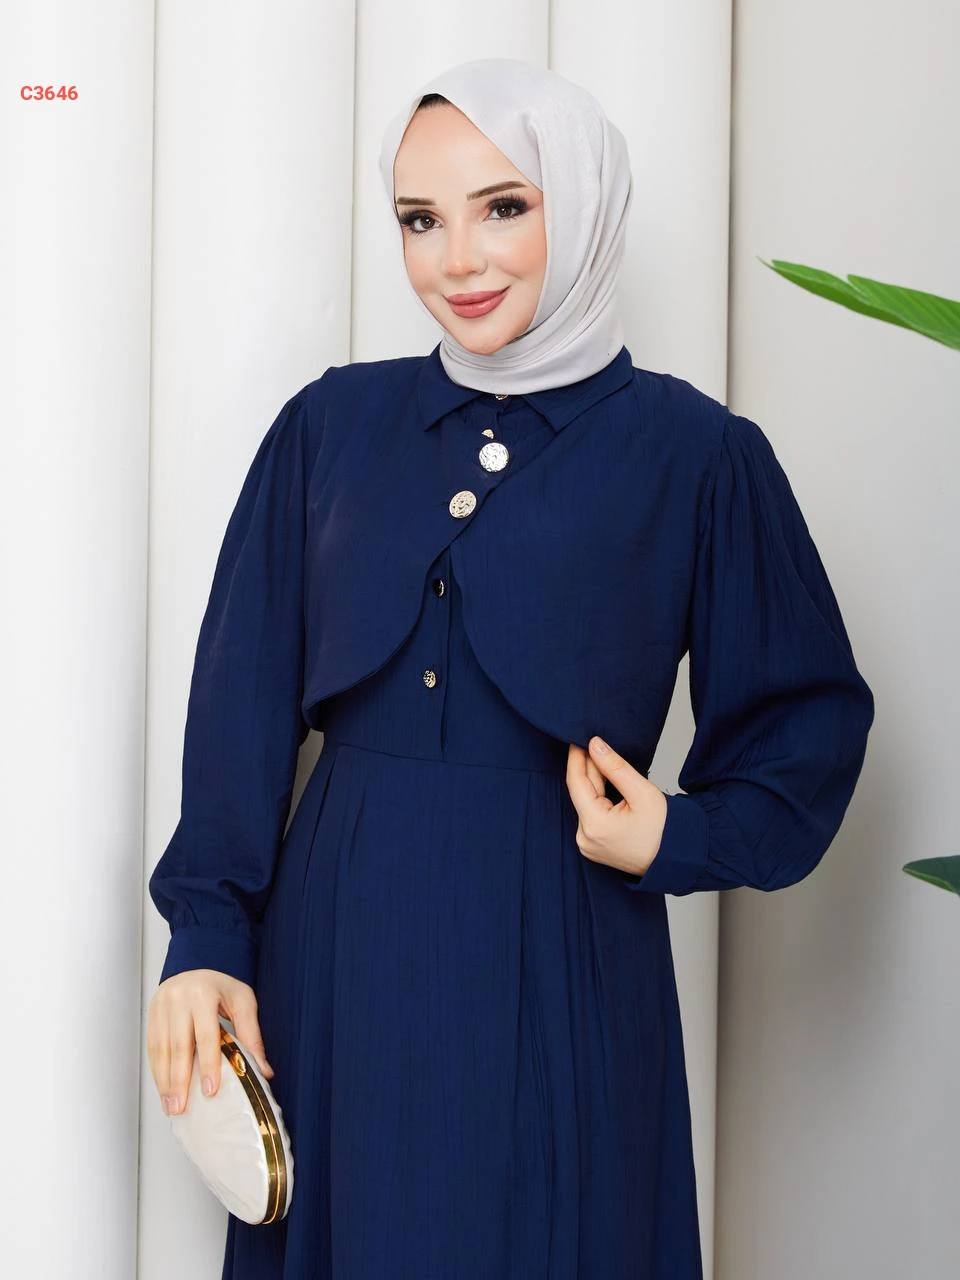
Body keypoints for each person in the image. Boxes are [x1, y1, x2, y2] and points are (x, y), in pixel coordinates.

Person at [146, 56, 875, 1280]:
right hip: (338, 952)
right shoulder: (329, 426)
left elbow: (808, 723)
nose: (458, 259)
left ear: (579, 203)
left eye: (503, 207)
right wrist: (207, 934)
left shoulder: (699, 454)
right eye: (419, 220)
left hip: (562, 945)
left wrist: (678, 835)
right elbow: (238, 703)